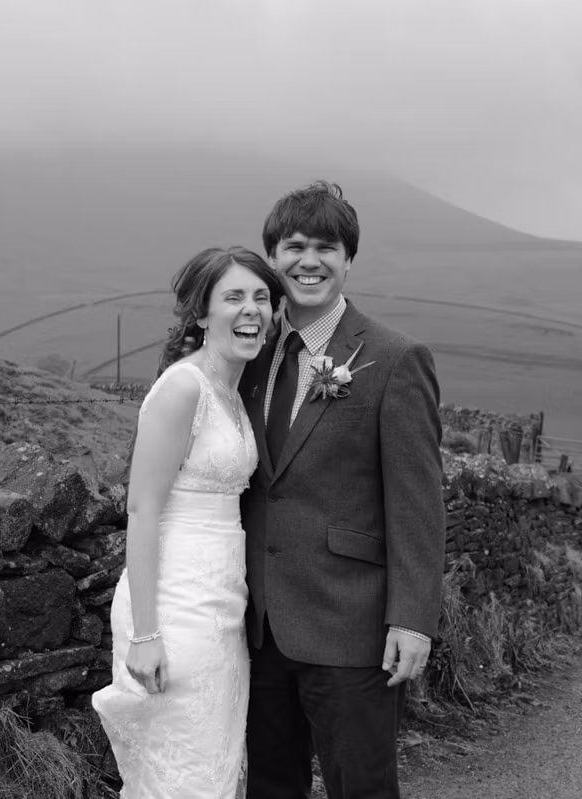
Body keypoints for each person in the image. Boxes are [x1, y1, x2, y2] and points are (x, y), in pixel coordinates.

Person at [237, 180, 446, 799]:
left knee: (363, 787)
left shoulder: (394, 357)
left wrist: (413, 621)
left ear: (348, 259)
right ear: (272, 257)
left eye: (326, 247)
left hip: (352, 625)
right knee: (272, 787)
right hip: (258, 624)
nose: (309, 261)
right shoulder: (252, 354)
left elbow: (417, 501)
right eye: (294, 246)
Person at [92, 246, 282, 798]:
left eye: (262, 297)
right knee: (182, 774)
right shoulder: (183, 388)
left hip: (224, 606)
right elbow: (142, 510)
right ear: (201, 314)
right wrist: (147, 635)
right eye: (234, 297)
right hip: (174, 611)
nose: (251, 310)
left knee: (216, 766)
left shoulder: (232, 392)